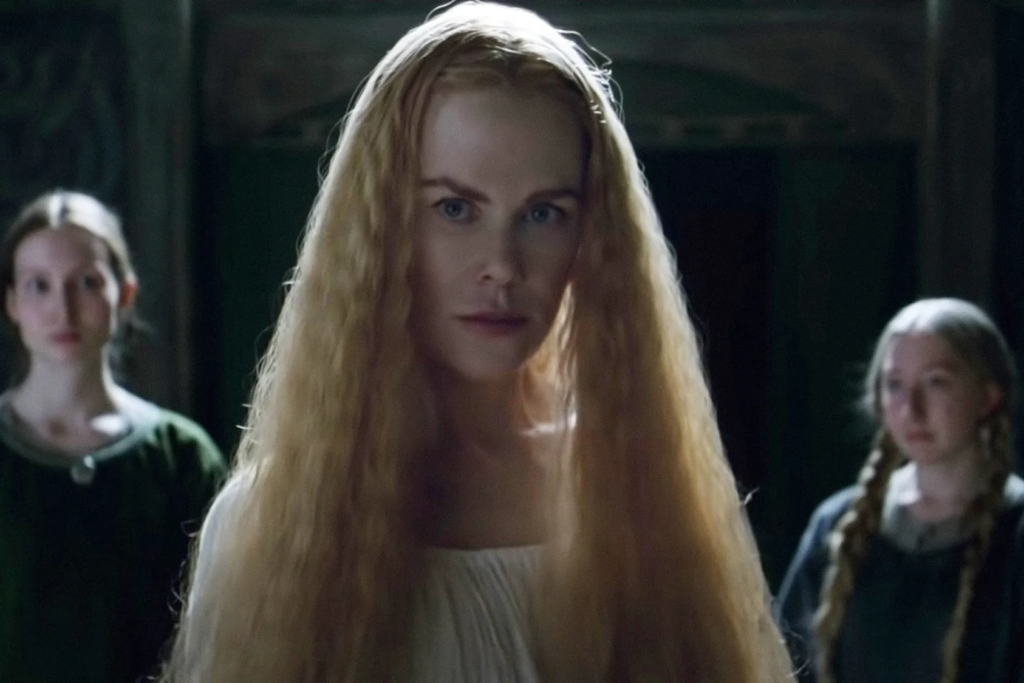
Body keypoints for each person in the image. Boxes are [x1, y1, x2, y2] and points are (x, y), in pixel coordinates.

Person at [161, 3, 792, 682]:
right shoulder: (269, 524)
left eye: (543, 213)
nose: (502, 265)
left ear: (593, 236)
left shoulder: (649, 495)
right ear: (380, 228)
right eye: (455, 208)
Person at [0, 190, 228, 683]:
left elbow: (218, 626)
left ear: (123, 294)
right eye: (38, 285)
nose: (62, 308)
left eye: (86, 282)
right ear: (12, 302)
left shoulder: (180, 459)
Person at [776, 298, 1024, 683]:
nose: (911, 408)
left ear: (988, 396)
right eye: (894, 385)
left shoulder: (1016, 531)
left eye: (937, 382)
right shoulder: (839, 525)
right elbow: (783, 664)